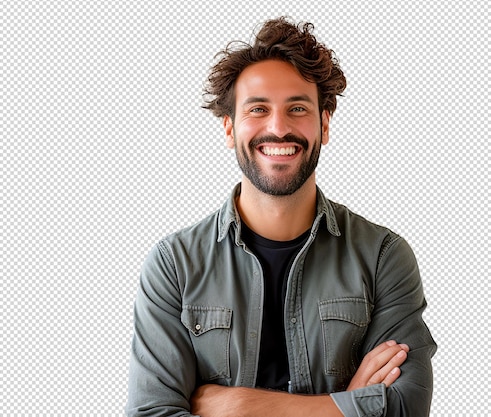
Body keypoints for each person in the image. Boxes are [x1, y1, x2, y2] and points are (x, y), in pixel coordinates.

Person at [126, 17, 437, 417]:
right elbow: (152, 413)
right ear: (229, 128)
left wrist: (236, 405)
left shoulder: (382, 256)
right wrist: (346, 406)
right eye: (258, 109)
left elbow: (405, 407)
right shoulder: (174, 264)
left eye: (297, 108)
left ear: (324, 124)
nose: (278, 128)